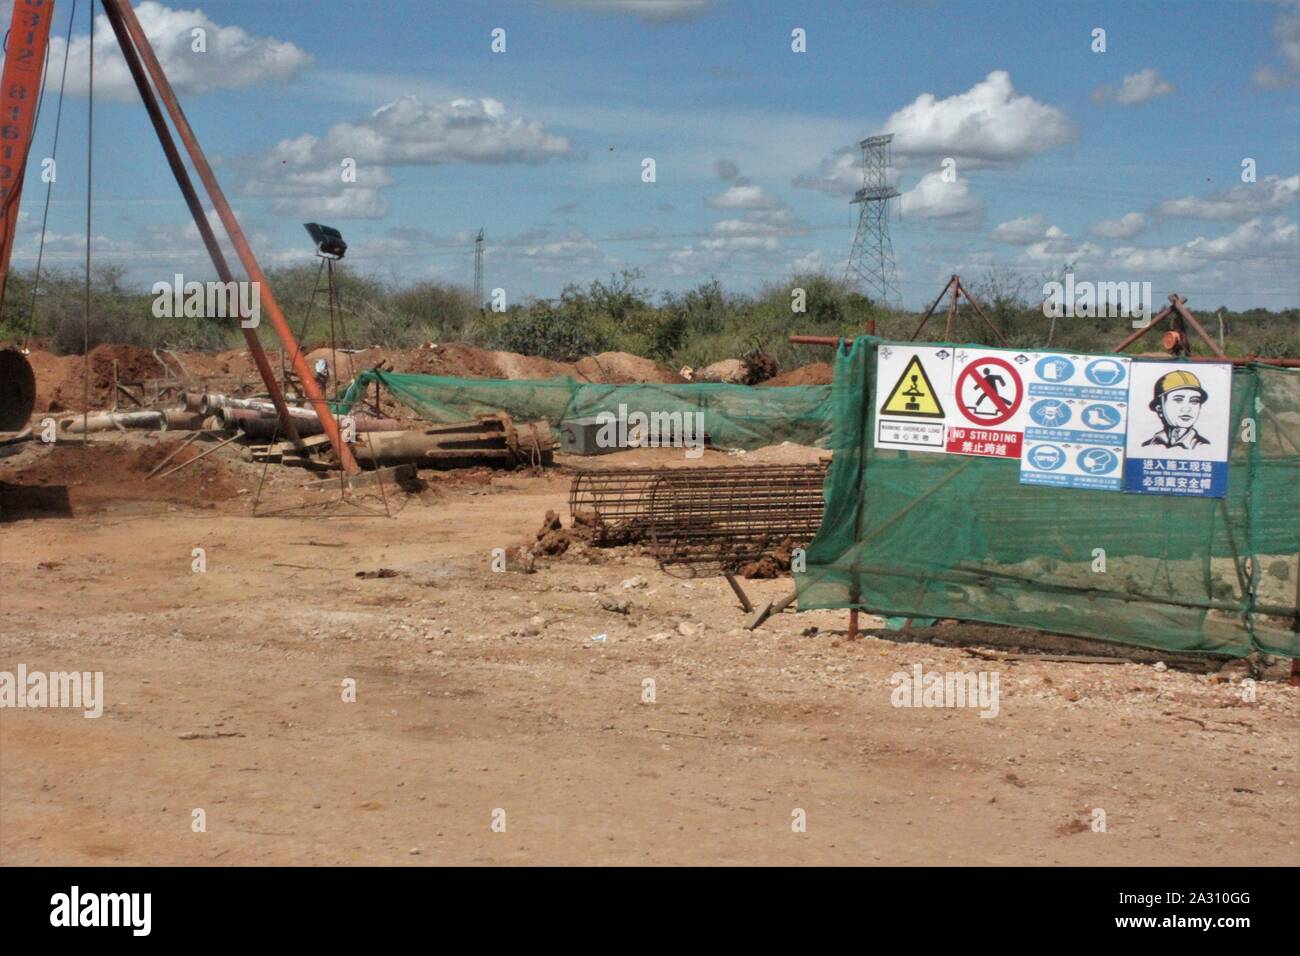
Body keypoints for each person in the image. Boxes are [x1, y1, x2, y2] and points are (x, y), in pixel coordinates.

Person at [1141, 370, 1210, 450]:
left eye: (1194, 401)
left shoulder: (1204, 447)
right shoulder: (1148, 446)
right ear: (1159, 408)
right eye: (1178, 400)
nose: (1187, 409)